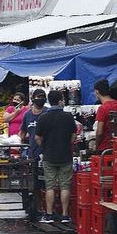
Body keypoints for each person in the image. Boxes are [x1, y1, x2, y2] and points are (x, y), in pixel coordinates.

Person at [35, 90, 77, 223]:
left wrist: (44, 147)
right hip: (65, 156)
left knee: (50, 186)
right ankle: (65, 215)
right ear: (60, 101)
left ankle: (49, 215)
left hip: (49, 156)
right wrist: (67, 144)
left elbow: (37, 137)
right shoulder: (68, 116)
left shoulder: (43, 117)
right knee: (65, 186)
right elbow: (74, 135)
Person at [94, 79, 117, 152]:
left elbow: (99, 132)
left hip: (104, 148)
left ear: (97, 92)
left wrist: (96, 144)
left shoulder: (102, 108)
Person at [20, 89, 48, 161]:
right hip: (33, 152)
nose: (41, 99)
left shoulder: (48, 113)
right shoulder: (27, 115)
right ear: (33, 98)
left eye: (43, 97)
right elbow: (23, 133)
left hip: (47, 151)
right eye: (39, 97)